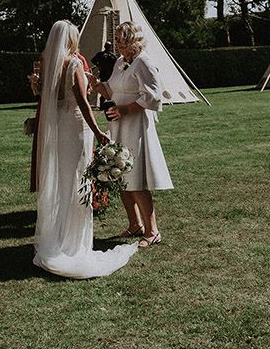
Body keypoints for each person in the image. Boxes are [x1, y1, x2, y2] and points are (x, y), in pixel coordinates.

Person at [33, 20, 137, 279]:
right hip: (77, 127)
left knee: (63, 181)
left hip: (59, 128)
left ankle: (57, 238)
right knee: (79, 180)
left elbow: (50, 97)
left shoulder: (49, 64)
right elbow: (83, 102)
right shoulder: (74, 63)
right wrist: (98, 131)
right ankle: (76, 244)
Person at [88, 21, 172, 248]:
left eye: (120, 38)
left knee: (136, 179)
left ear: (131, 39)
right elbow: (112, 90)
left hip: (135, 126)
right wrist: (96, 85)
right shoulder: (120, 62)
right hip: (118, 126)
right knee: (119, 175)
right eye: (116, 39)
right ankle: (135, 224)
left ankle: (153, 231)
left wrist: (125, 109)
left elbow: (153, 97)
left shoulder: (144, 62)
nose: (116, 43)